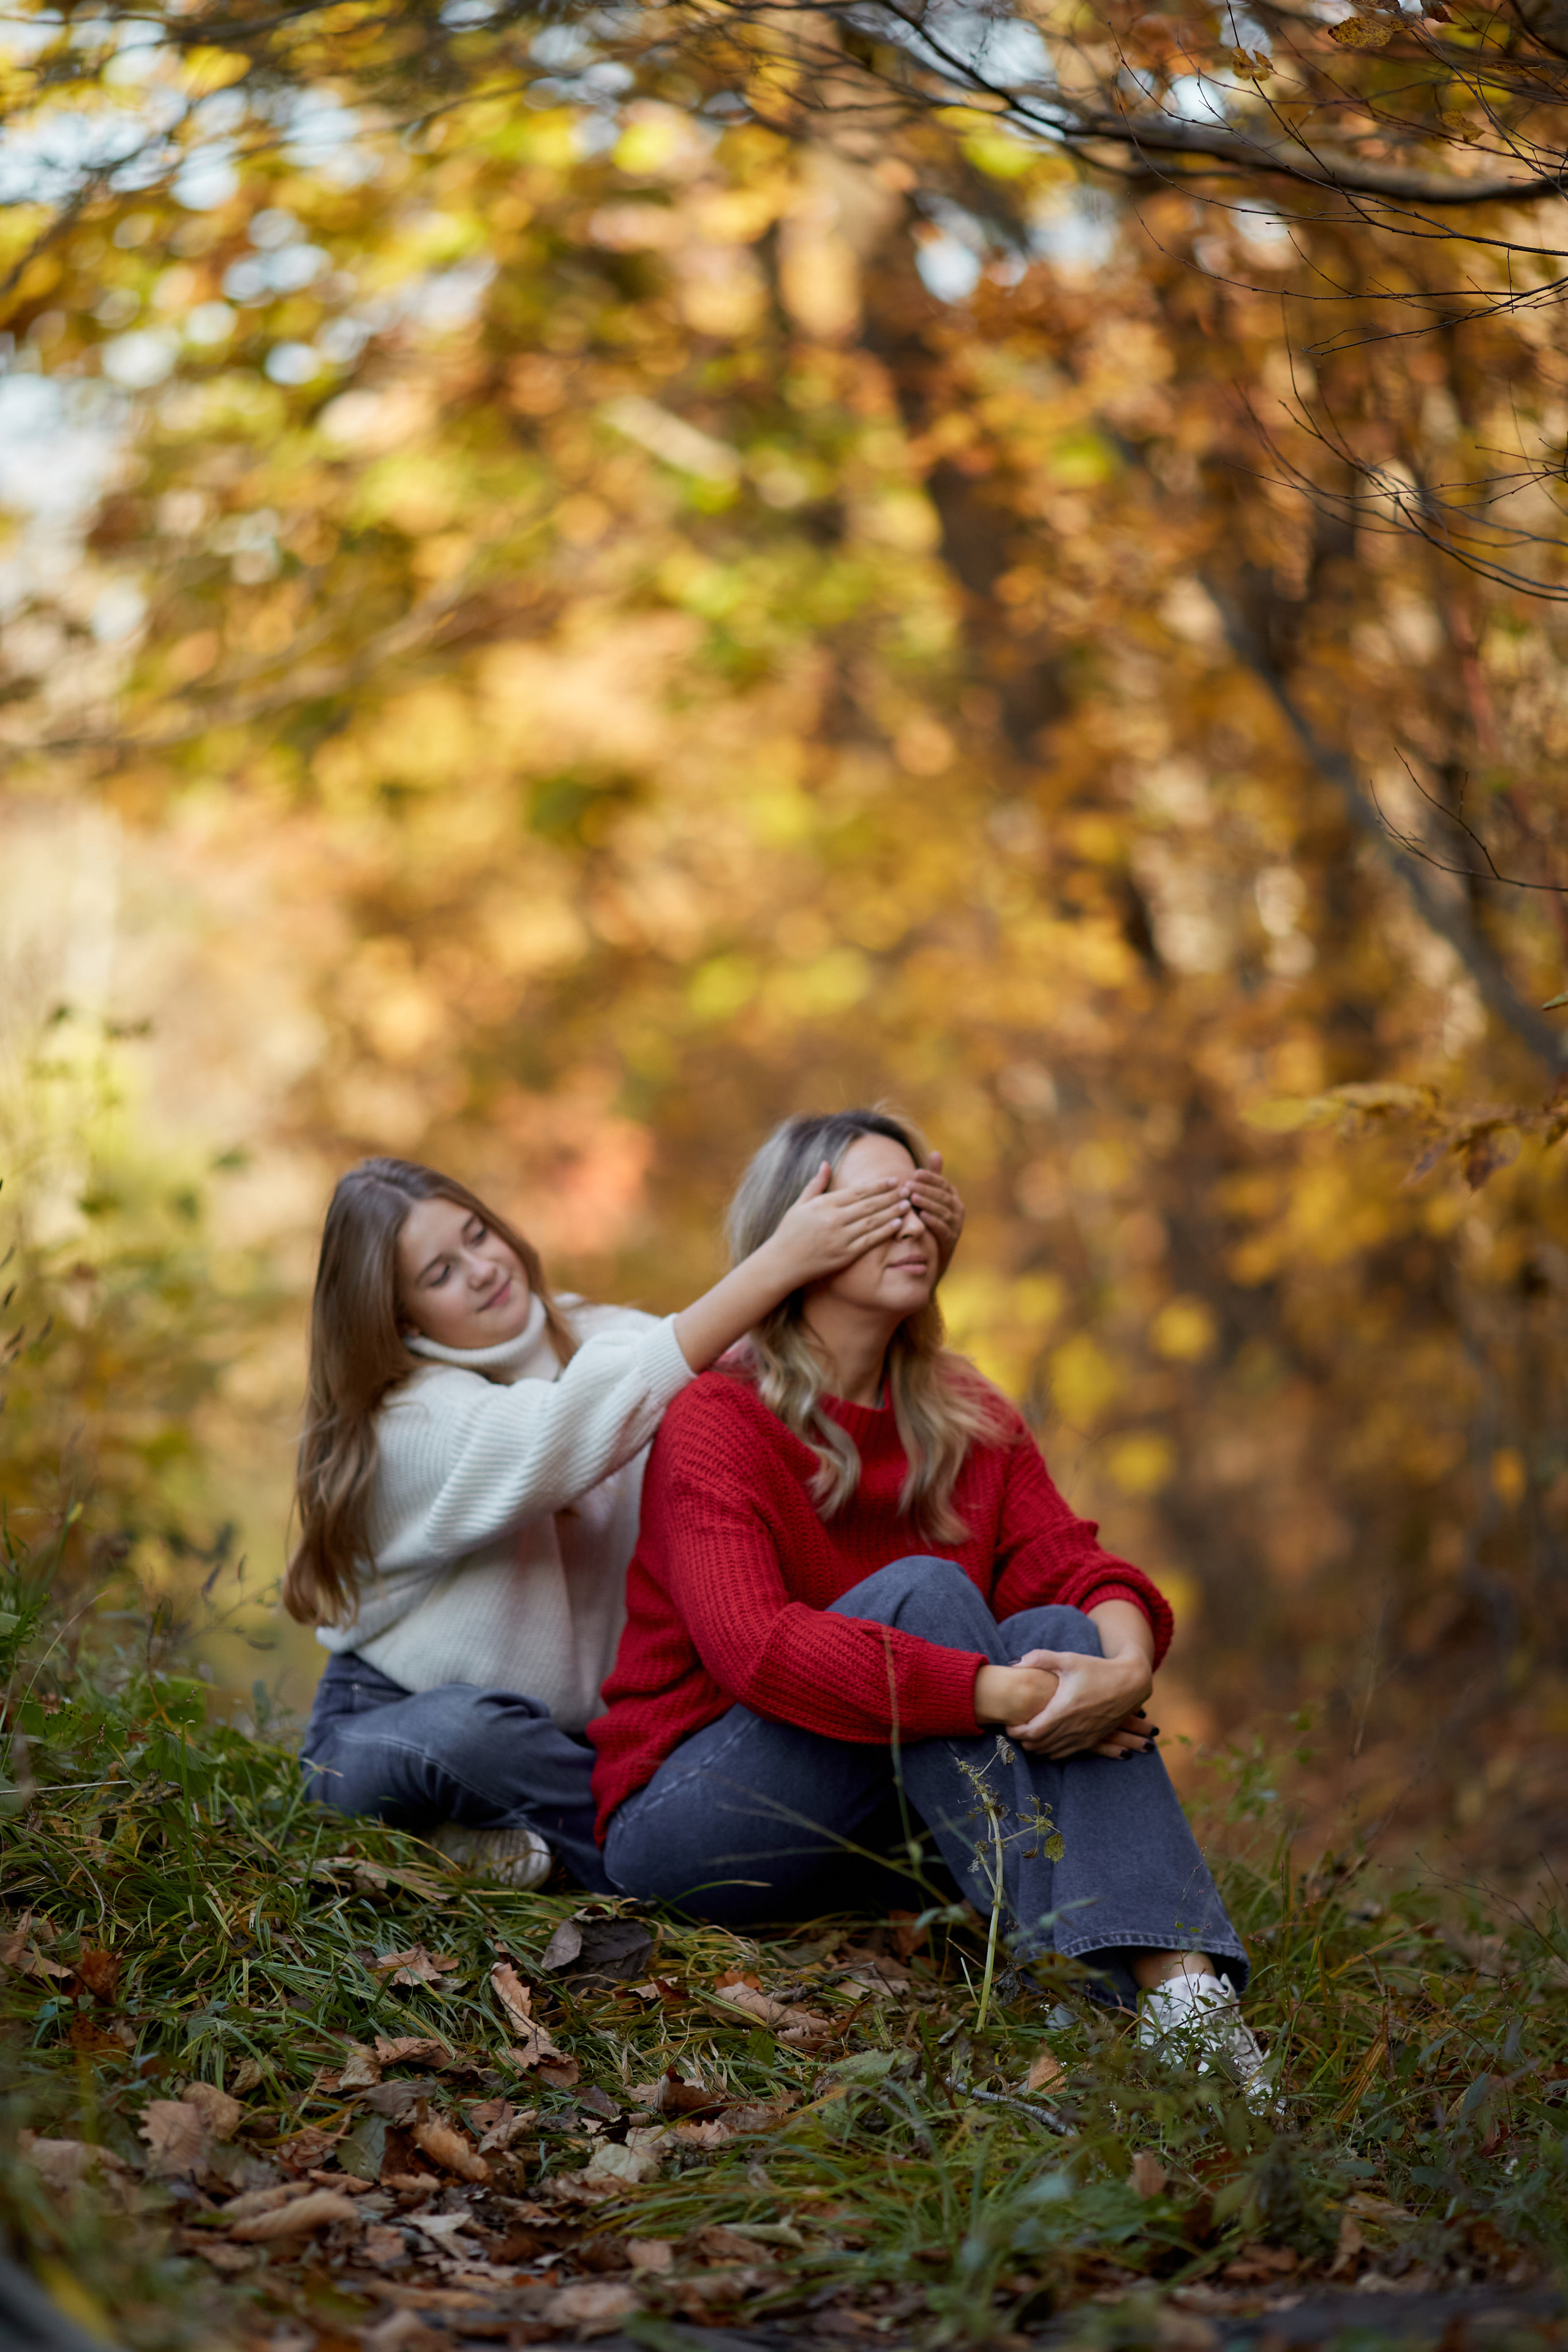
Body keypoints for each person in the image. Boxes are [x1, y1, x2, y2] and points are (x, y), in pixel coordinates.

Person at [589, 1108, 1268, 2094]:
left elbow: (1078, 1567)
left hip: (887, 1824)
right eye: (875, 1204)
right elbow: (757, 1650)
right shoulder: (717, 1420)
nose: (912, 1225)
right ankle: (1098, 1990)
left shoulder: (966, 1412)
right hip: (696, 1820)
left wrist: (1120, 1673)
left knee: (1060, 1632)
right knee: (926, 1590)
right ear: (796, 1233)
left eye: (924, 1200)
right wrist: (1002, 1696)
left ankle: (1182, 1996)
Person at [285, 1150, 964, 1893]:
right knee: (473, 1739)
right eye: (439, 1273)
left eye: (477, 1235)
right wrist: (777, 1262)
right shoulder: (407, 1423)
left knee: (686, 1775)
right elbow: (570, 1429)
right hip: (394, 1722)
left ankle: (505, 1847)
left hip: (578, 1744)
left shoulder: (604, 1332)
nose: (480, 1268)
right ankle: (596, 1861)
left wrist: (908, 1246)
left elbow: (761, 1367)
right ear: (399, 1320)